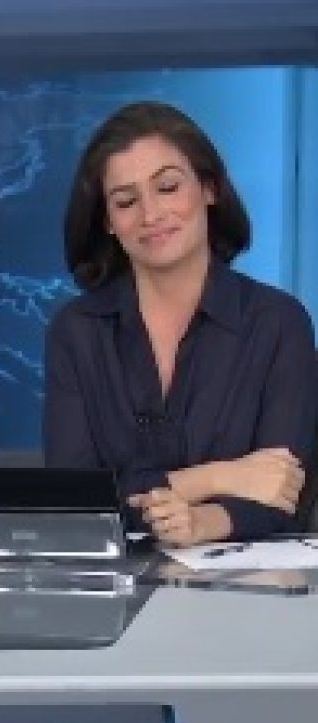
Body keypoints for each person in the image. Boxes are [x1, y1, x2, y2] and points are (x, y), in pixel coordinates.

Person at [45, 100, 316, 546]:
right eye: (126, 201)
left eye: (168, 187)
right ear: (108, 222)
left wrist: (203, 522)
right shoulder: (77, 331)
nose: (151, 215)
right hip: (114, 582)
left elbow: (283, 492)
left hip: (243, 584)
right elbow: (73, 504)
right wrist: (217, 477)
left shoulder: (279, 323)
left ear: (209, 189)